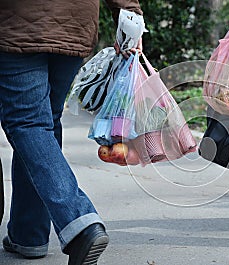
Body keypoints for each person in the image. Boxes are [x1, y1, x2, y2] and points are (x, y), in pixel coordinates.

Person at [0, 0, 143, 263]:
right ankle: (28, 234)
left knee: (28, 123)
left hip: (18, 22)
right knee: (43, 124)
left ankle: (79, 222)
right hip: (74, 22)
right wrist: (130, 14)